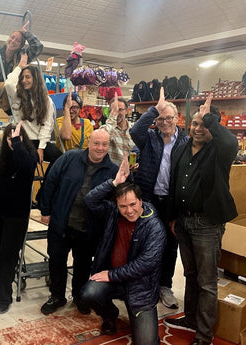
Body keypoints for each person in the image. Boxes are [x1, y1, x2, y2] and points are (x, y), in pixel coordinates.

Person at [164, 94, 238, 345]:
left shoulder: (220, 150)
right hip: (184, 221)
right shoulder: (184, 147)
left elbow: (230, 141)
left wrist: (210, 118)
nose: (197, 128)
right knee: (190, 275)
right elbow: (175, 183)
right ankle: (191, 319)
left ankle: (204, 335)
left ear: (213, 127)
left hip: (207, 224)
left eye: (203, 124)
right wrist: (174, 217)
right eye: (194, 123)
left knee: (207, 282)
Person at [80, 155, 166, 344]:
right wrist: (114, 183)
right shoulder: (112, 212)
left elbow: (144, 265)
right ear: (117, 206)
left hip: (140, 289)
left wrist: (111, 275)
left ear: (141, 201)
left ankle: (137, 314)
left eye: (133, 204)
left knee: (146, 343)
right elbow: (90, 200)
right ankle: (110, 314)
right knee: (88, 294)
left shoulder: (155, 227)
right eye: (123, 206)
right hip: (114, 281)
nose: (129, 210)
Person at [39, 129, 118, 315]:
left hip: (89, 229)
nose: (99, 148)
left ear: (109, 146)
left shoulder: (113, 171)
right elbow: (50, 182)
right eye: (96, 143)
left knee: (83, 264)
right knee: (57, 261)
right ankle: (57, 296)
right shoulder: (69, 158)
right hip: (61, 222)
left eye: (104, 144)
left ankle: (79, 296)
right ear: (88, 143)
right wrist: (45, 210)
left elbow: (115, 202)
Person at [130, 87, 188, 309]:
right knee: (145, 243)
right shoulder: (149, 138)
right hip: (149, 199)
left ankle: (165, 285)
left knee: (169, 245)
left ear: (177, 119)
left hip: (172, 202)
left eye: (169, 118)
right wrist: (155, 108)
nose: (165, 122)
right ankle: (145, 284)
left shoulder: (185, 142)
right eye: (161, 119)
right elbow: (136, 130)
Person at [0, 121, 38, 313]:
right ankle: (0, 289)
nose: (12, 141)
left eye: (16, 137)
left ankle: (4, 297)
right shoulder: (3, 155)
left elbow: (25, 170)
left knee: (7, 256)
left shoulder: (29, 155)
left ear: (23, 138)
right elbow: (11, 179)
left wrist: (17, 142)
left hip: (16, 216)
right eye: (9, 137)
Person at [4, 53, 61, 166]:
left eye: (28, 77)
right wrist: (20, 66)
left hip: (38, 142)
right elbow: (9, 84)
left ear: (35, 79)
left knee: (61, 160)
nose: (24, 80)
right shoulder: (18, 96)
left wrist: (41, 148)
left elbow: (47, 125)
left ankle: (48, 184)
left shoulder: (46, 101)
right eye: (22, 77)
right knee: (26, 164)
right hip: (22, 141)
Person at [0, 20, 43, 113]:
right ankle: (9, 111)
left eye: (18, 41)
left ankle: (11, 111)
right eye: (12, 37)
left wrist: (26, 33)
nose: (13, 41)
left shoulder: (23, 56)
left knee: (8, 85)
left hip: (17, 92)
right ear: (8, 38)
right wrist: (2, 86)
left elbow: (38, 47)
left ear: (21, 45)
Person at [100, 94, 135, 167]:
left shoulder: (134, 129)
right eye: (114, 110)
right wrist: (112, 119)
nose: (117, 113)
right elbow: (102, 139)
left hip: (130, 175)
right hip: (111, 174)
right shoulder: (105, 129)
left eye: (120, 110)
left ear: (126, 111)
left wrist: (135, 163)